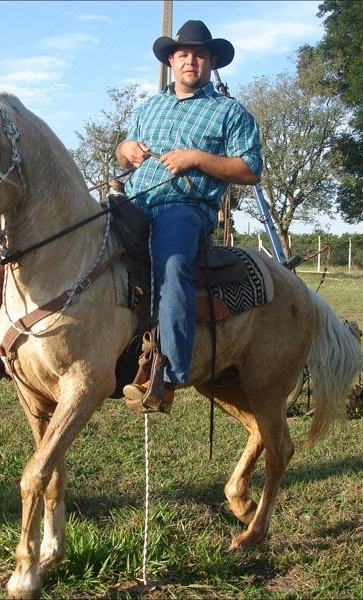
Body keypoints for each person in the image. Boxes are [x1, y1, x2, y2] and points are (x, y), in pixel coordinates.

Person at [115, 20, 263, 413]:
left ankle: (168, 375)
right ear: (171, 61)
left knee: (173, 266)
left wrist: (196, 158)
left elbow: (250, 169)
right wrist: (125, 150)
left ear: (211, 61)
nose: (190, 61)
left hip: (184, 207)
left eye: (199, 55)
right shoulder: (149, 106)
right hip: (133, 201)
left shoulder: (230, 112)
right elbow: (124, 151)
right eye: (183, 54)